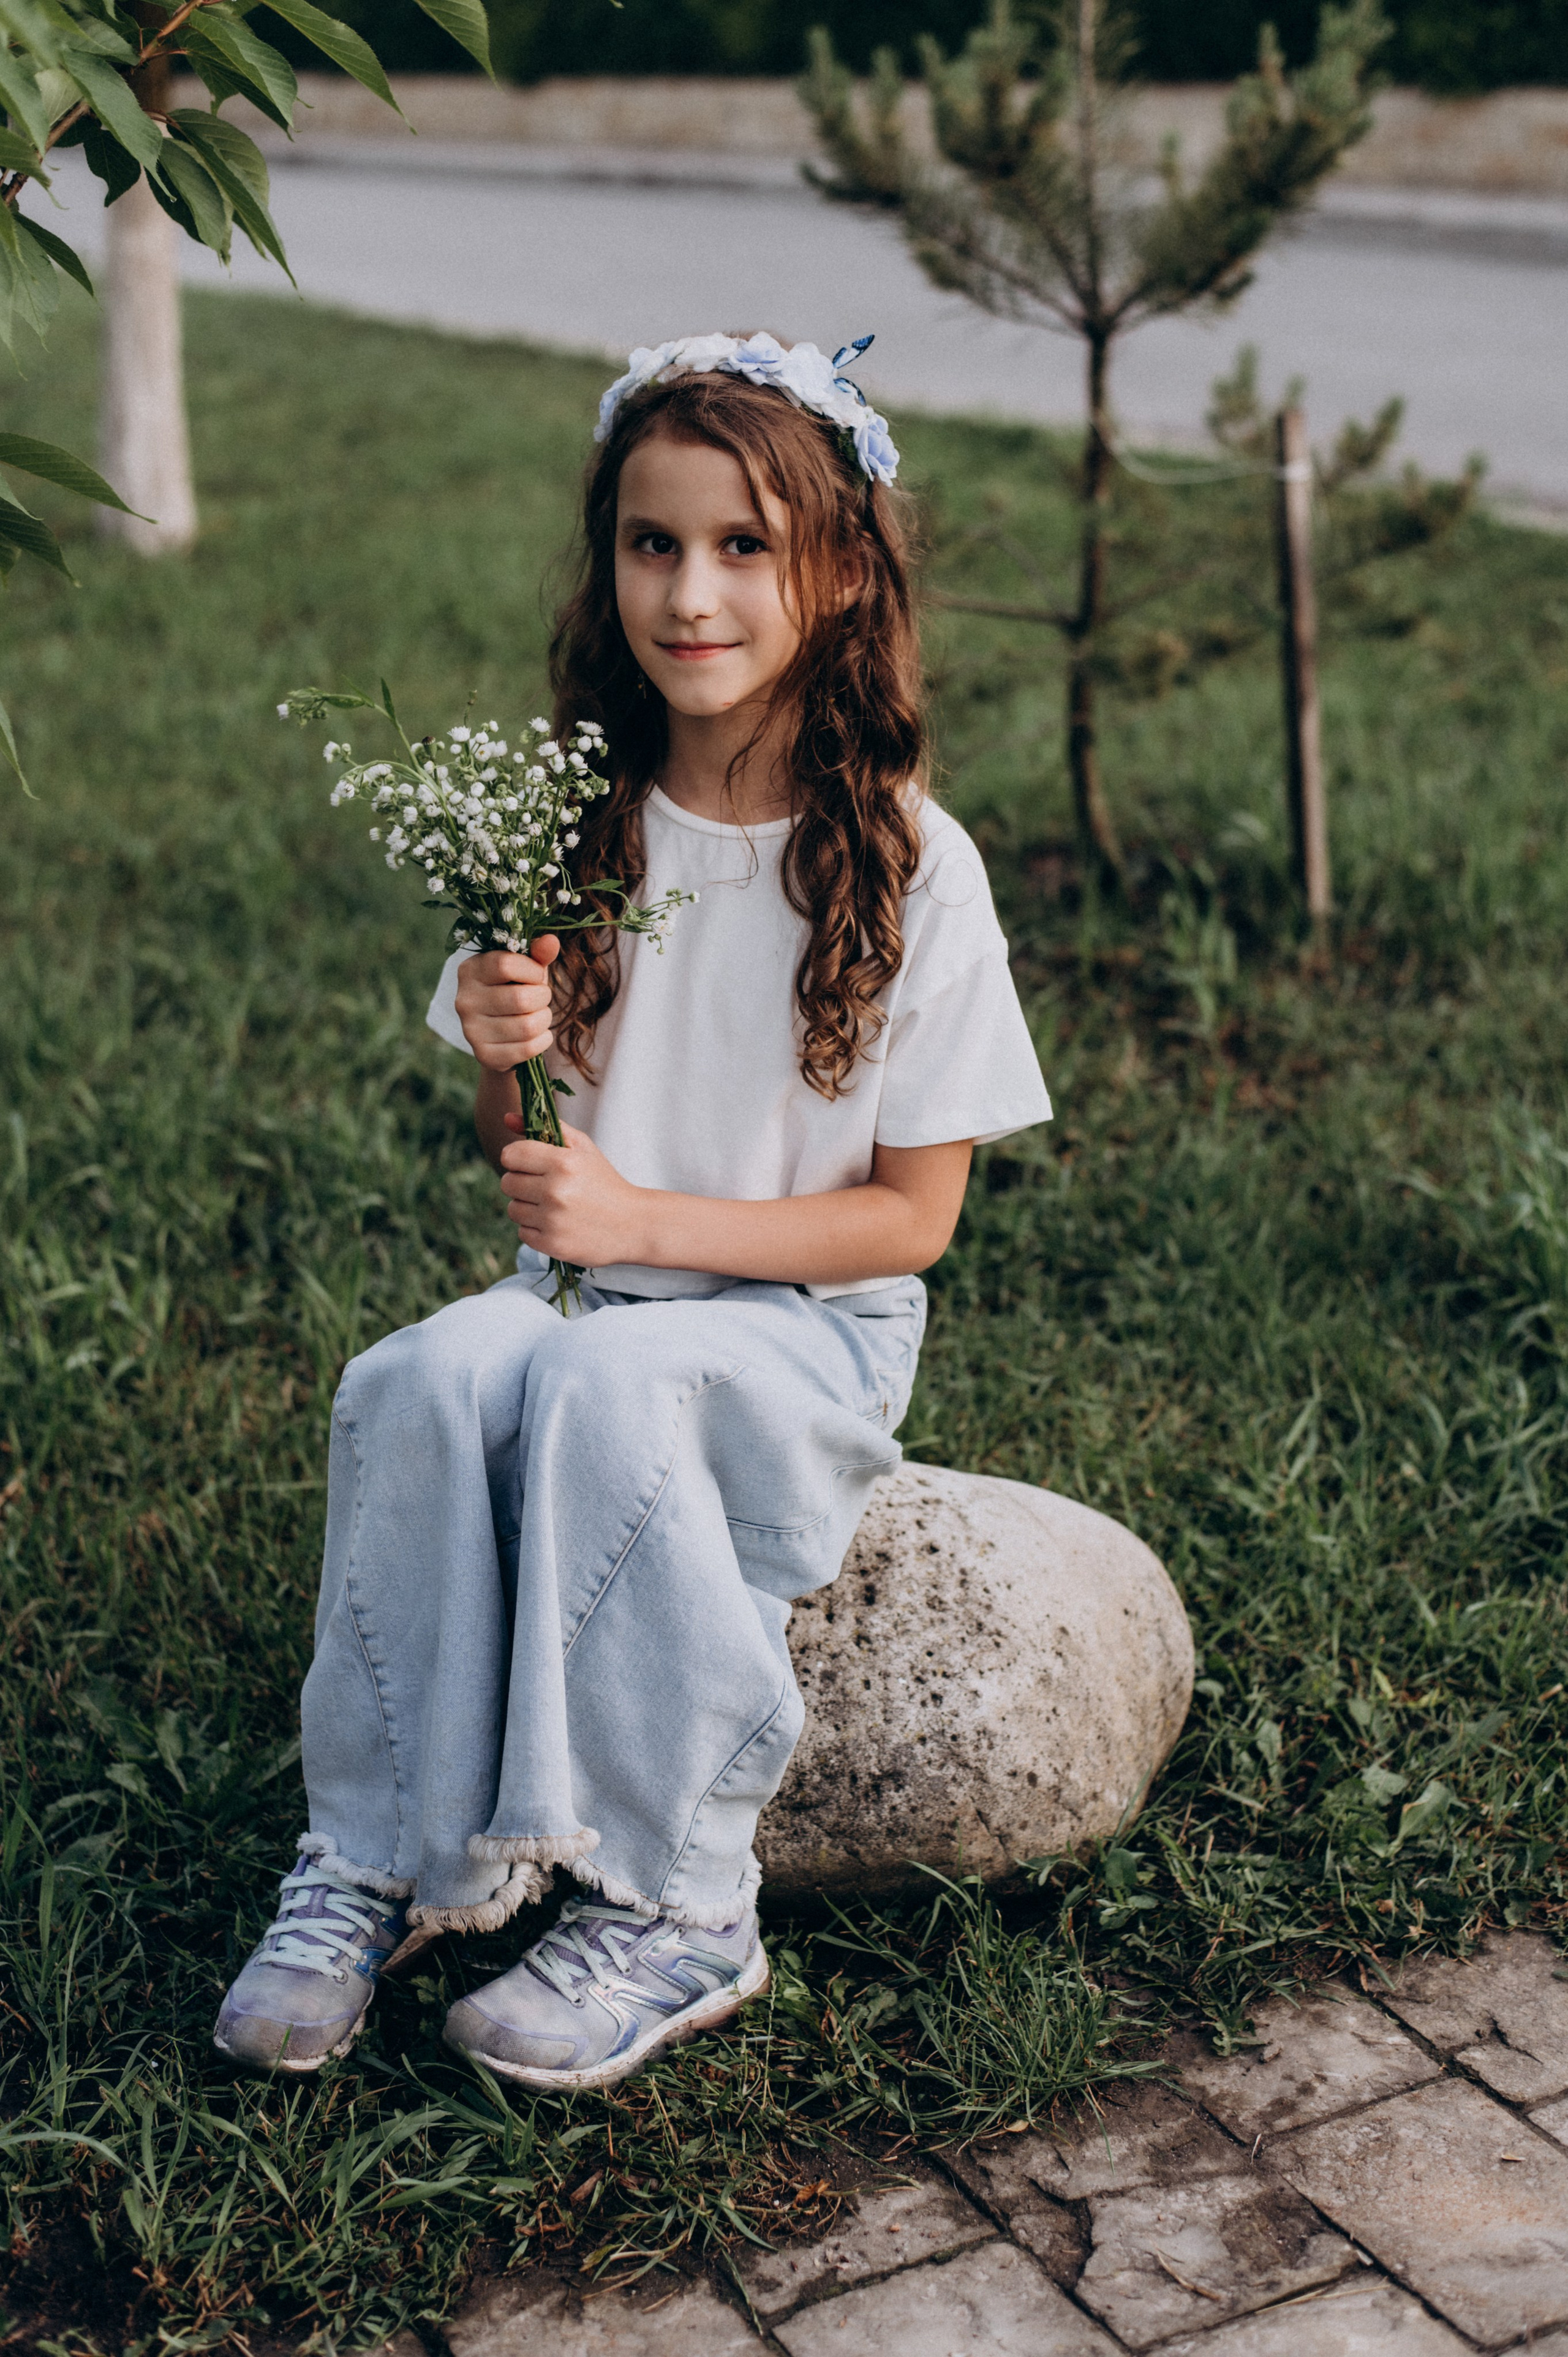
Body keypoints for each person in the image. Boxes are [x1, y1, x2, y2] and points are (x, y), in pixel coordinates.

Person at [214, 331, 1050, 2089]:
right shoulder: (579, 822)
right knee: (422, 1378)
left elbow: (910, 1225)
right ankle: (380, 1856)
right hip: (590, 1289)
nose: (693, 592)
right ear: (608, 566)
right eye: (653, 544)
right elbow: (518, 1151)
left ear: (841, 574)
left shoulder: (907, 859)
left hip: (799, 1330)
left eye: (746, 547)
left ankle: (680, 1904)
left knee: (600, 1385)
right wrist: (506, 1055)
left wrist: (637, 1219)